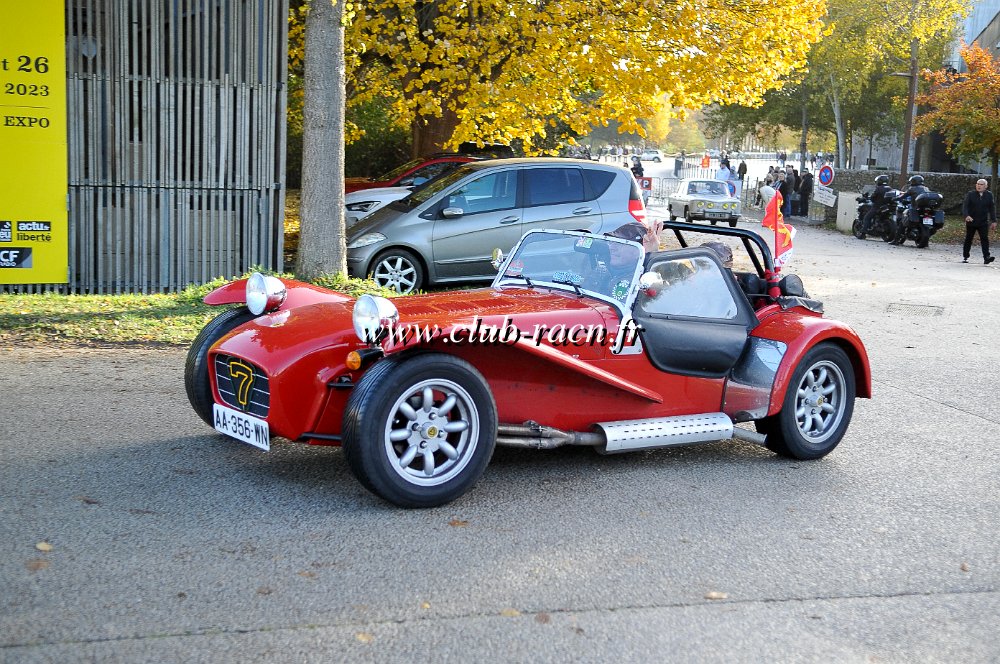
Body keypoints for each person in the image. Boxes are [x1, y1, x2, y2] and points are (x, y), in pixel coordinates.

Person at [961, 178, 996, 264]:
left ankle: (986, 257)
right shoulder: (971, 194)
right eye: (977, 184)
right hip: (971, 220)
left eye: (981, 184)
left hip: (983, 221)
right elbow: (965, 206)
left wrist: (994, 220)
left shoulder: (989, 195)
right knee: (969, 238)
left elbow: (992, 208)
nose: (979, 186)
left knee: (984, 239)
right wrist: (966, 215)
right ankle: (966, 256)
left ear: (986, 186)